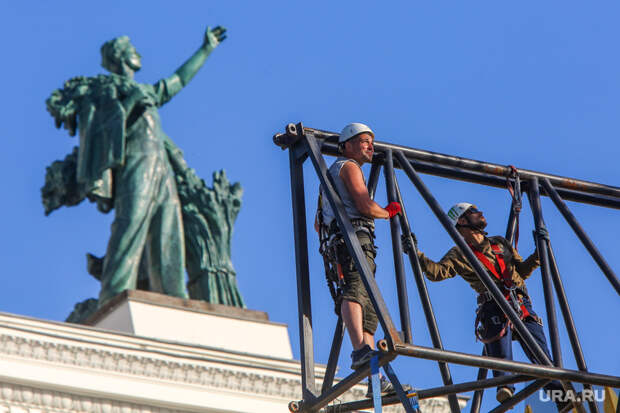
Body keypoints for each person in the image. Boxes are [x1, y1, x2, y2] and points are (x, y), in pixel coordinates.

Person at [87, 27, 226, 306]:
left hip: (161, 169)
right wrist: (130, 102)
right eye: (130, 50)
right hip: (135, 165)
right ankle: (113, 293)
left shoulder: (145, 90)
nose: (137, 53)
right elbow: (102, 129)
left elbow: (178, 80)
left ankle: (172, 292)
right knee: (130, 224)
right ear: (121, 58)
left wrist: (206, 49)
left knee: (168, 227)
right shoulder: (109, 91)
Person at [416, 202, 565, 405]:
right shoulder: (459, 253)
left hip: (520, 304)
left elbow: (520, 271)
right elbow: (436, 272)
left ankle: (561, 397)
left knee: (542, 356)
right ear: (461, 220)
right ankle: (504, 385)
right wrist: (416, 255)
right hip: (494, 306)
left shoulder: (499, 243)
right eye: (475, 212)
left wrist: (539, 254)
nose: (481, 213)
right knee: (500, 349)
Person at [315, 123, 402, 396]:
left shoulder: (330, 176)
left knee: (368, 304)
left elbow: (318, 224)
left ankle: (373, 377)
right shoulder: (348, 166)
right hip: (353, 239)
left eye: (371, 142)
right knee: (355, 290)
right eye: (364, 141)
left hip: (343, 240)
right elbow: (364, 206)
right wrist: (388, 212)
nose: (370, 146)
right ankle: (360, 352)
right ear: (347, 145)